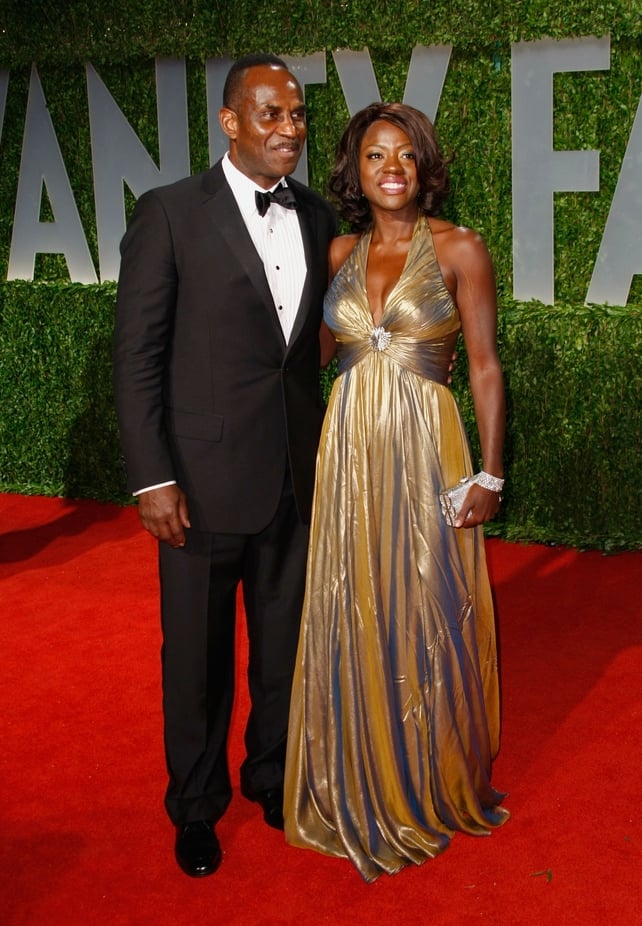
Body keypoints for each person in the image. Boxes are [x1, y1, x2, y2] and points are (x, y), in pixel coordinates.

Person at [112, 53, 336, 878]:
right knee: (196, 659)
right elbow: (137, 355)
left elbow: (307, 351)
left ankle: (270, 779)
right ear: (230, 121)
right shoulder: (171, 213)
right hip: (198, 484)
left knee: (283, 647)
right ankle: (196, 807)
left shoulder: (314, 216)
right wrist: (151, 477)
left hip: (292, 475)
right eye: (270, 114)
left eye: (298, 115)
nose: (289, 130)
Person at [284, 102, 510, 882]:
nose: (391, 168)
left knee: (430, 604)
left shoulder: (459, 248)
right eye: (376, 155)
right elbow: (309, 356)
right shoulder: (339, 248)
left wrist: (490, 472)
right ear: (356, 170)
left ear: (424, 168)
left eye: (406, 156)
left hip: (426, 443)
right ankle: (356, 769)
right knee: (356, 599)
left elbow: (483, 365)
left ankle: (430, 775)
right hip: (348, 447)